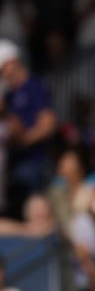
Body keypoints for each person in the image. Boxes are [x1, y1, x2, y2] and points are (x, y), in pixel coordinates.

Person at [0, 39, 57, 219]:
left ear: (13, 62)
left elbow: (48, 125)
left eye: (2, 68)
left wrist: (22, 141)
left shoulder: (34, 87)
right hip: (15, 165)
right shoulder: (9, 95)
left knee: (35, 212)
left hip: (35, 162)